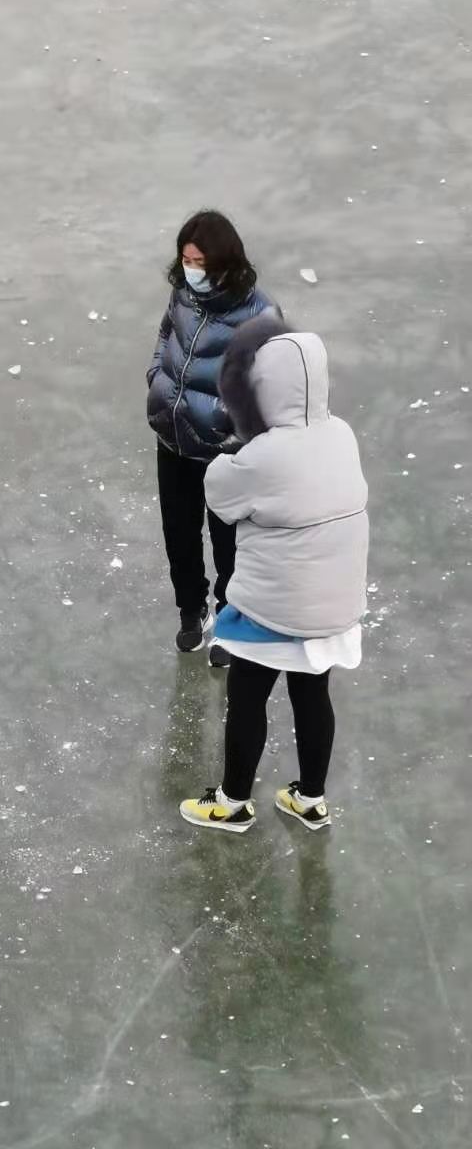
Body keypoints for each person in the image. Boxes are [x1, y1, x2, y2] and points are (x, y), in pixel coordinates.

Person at [179, 316, 368, 834]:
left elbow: (220, 496)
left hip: (276, 609)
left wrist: (231, 448)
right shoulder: (341, 434)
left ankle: (233, 802)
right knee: (313, 695)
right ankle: (310, 798)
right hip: (332, 607)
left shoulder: (263, 455)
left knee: (246, 697)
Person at [146, 210, 277, 666]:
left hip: (224, 453)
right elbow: (166, 332)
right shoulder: (183, 295)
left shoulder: (260, 316)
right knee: (179, 534)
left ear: (224, 261)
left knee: (229, 545)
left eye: (199, 262)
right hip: (173, 437)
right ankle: (191, 609)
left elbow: (271, 387)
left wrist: (229, 425)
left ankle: (228, 618)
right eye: (186, 260)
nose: (190, 270)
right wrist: (157, 376)